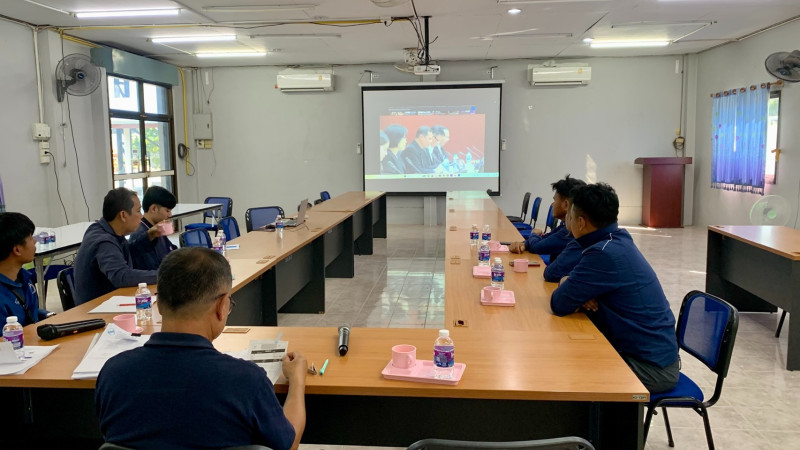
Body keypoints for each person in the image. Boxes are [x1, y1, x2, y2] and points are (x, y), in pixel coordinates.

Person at [96, 248, 307, 449]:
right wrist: (297, 380)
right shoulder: (246, 380)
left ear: (158, 304)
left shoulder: (113, 374)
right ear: (222, 306)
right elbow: (288, 444)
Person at [550, 183, 679, 394]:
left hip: (650, 368)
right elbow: (569, 291)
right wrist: (575, 288)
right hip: (647, 355)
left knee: (564, 367)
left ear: (581, 223)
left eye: (570, 218)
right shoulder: (616, 240)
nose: (567, 223)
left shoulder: (603, 253)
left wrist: (571, 286)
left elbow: (559, 303)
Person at [73, 188, 157, 305]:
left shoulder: (104, 229)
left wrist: (149, 236)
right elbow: (121, 276)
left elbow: (125, 254)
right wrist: (163, 275)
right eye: (138, 211)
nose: (141, 216)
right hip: (96, 308)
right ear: (123, 215)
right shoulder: (103, 241)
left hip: (111, 300)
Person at [509, 175, 586, 262]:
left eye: (555, 200)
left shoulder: (570, 231)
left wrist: (534, 234)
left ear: (566, 205)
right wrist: (524, 244)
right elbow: (546, 238)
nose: (552, 204)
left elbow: (537, 247)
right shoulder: (564, 225)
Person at [0, 212, 53, 325]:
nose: (35, 241)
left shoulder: (24, 277)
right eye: (30, 238)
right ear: (17, 250)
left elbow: (29, 311)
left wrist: (48, 315)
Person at [129, 186, 177, 271]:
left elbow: (172, 250)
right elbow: (151, 269)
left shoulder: (158, 228)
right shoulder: (140, 235)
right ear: (154, 209)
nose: (170, 215)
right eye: (167, 211)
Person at [541, 188, 583, 283]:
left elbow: (551, 273)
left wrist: (533, 235)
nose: (552, 204)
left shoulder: (578, 241)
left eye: (570, 214)